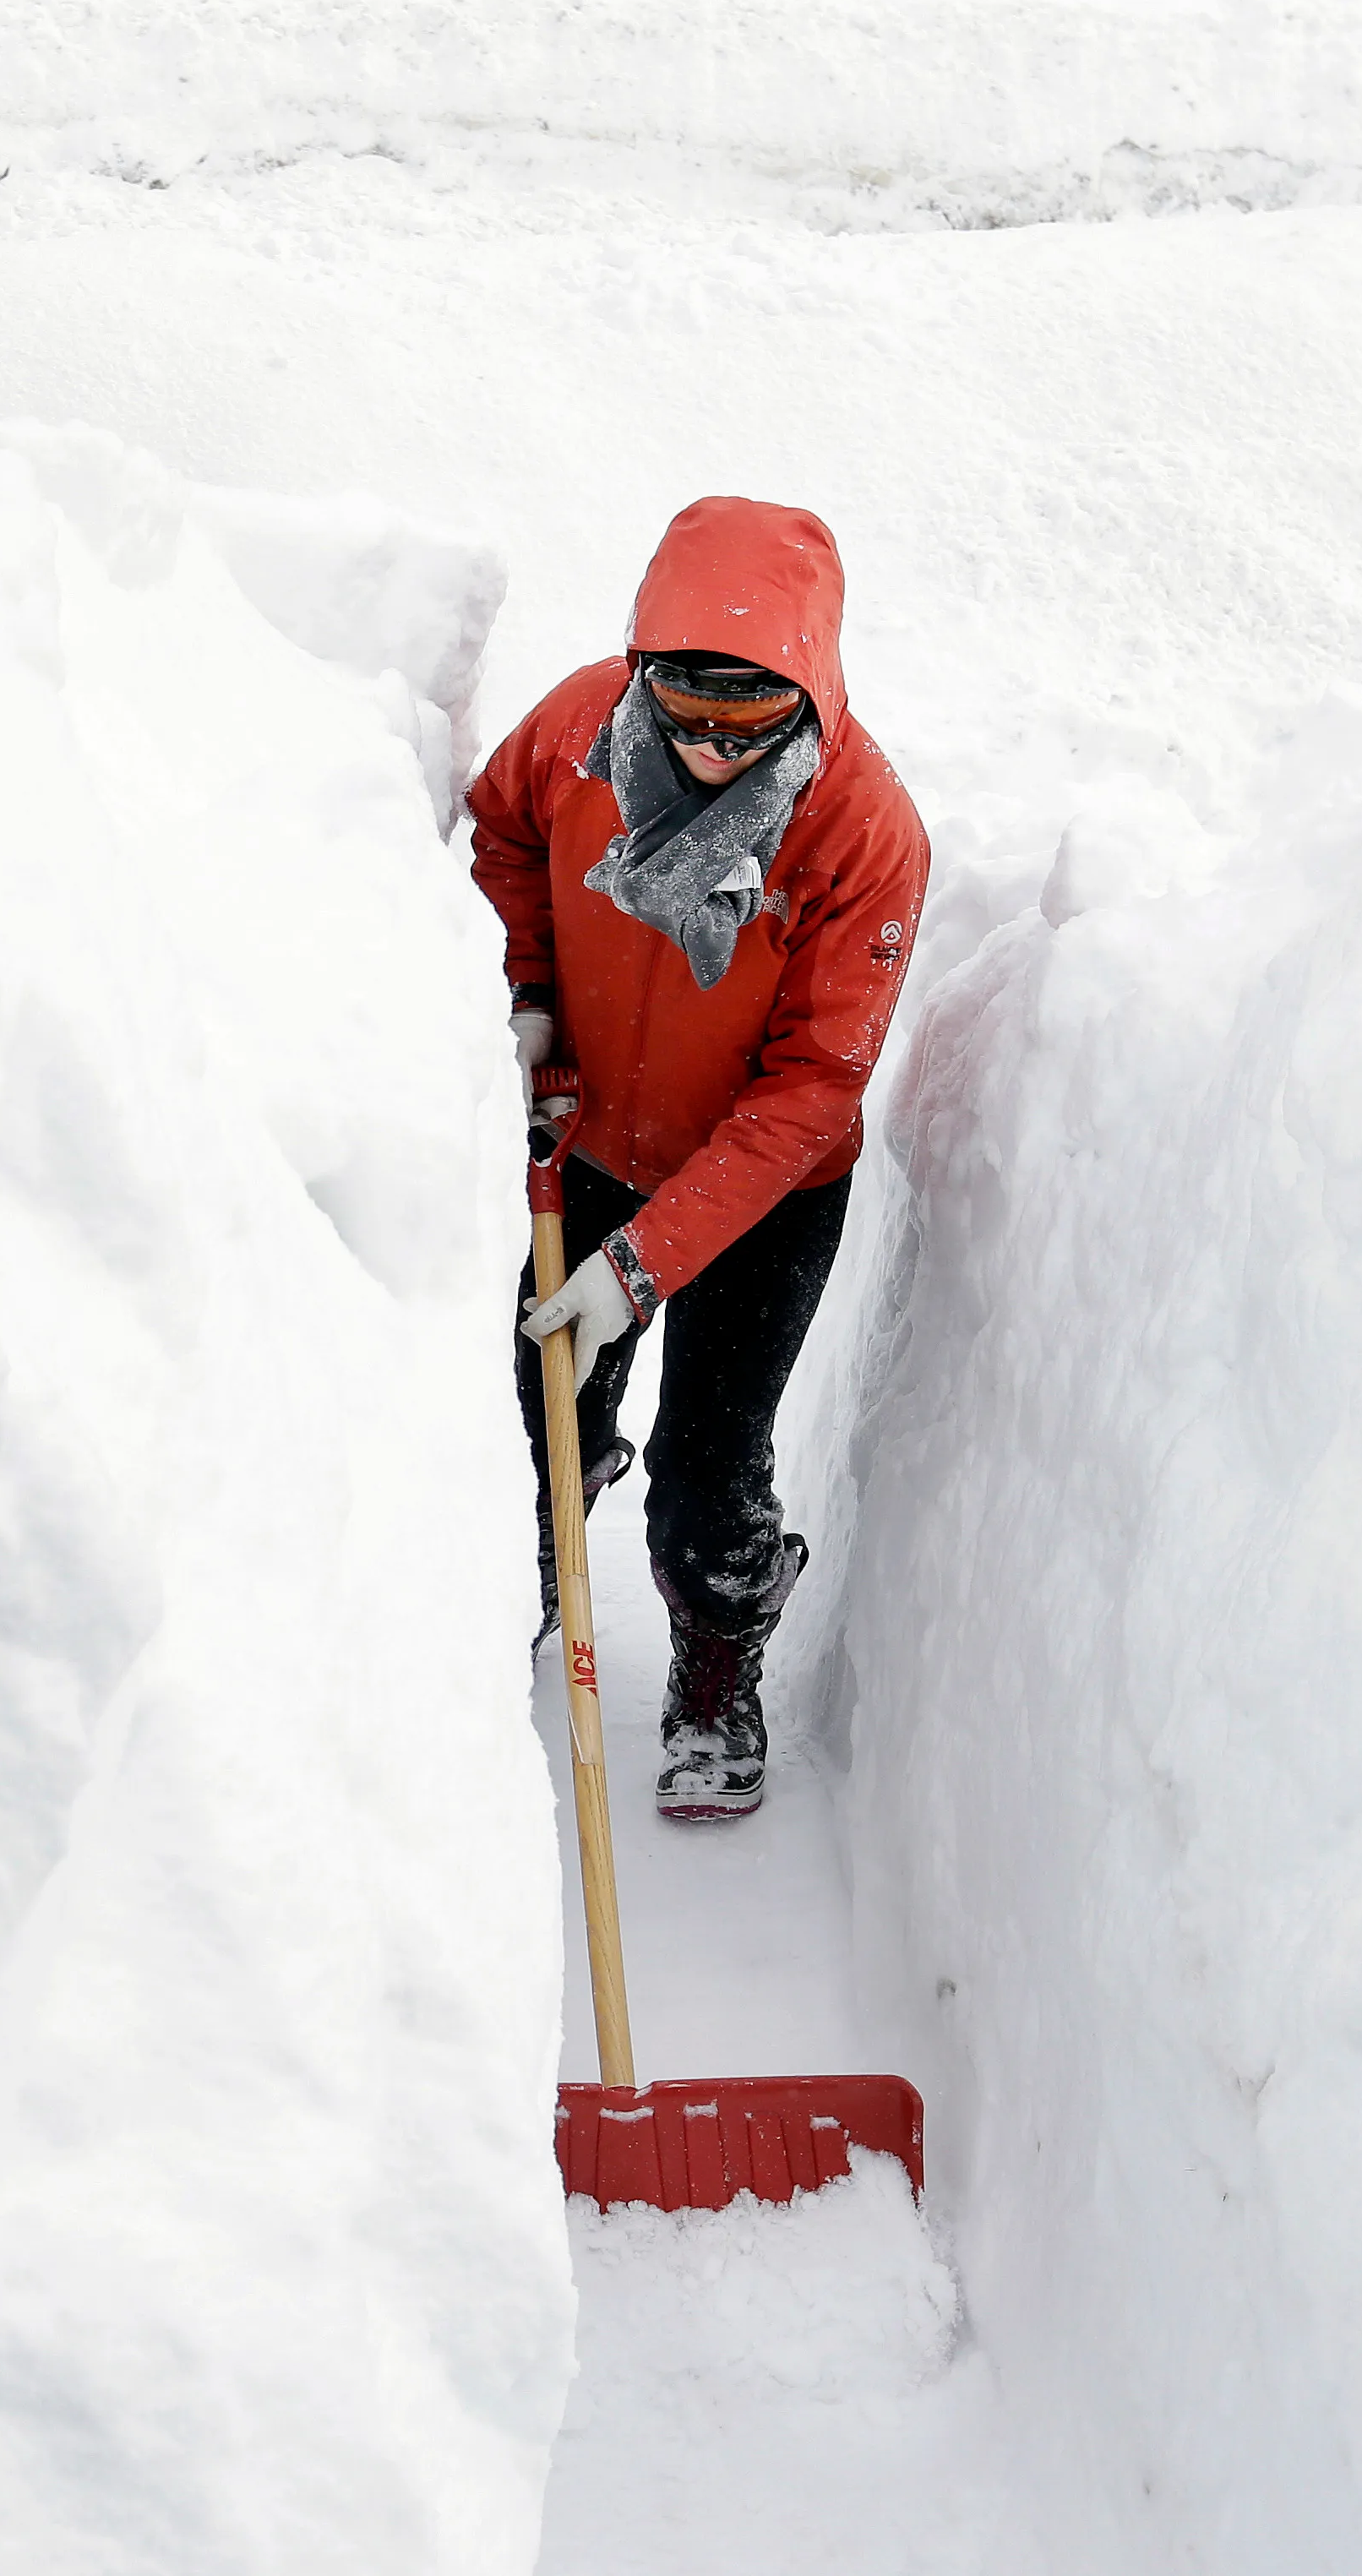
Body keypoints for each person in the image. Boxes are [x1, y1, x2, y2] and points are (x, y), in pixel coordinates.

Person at [466, 497, 929, 1819]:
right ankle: (535, 1579)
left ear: (810, 694)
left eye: (750, 724)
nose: (712, 749)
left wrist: (644, 1263)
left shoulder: (861, 830)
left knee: (711, 1462)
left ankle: (717, 1669)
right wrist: (526, 995)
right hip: (589, 1135)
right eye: (684, 712)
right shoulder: (573, 735)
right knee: (540, 1400)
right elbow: (500, 837)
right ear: (638, 671)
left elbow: (812, 1083)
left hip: (767, 1190)